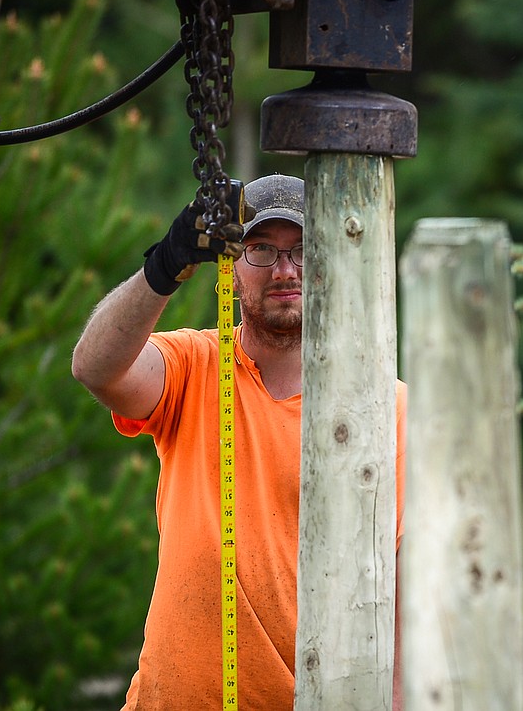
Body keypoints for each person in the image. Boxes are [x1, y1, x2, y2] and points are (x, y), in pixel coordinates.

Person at [71, 174, 406, 710]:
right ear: (228, 269)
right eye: (261, 250)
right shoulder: (192, 365)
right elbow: (94, 368)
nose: (285, 269)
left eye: (302, 250)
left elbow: (403, 591)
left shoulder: (386, 408)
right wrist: (164, 265)